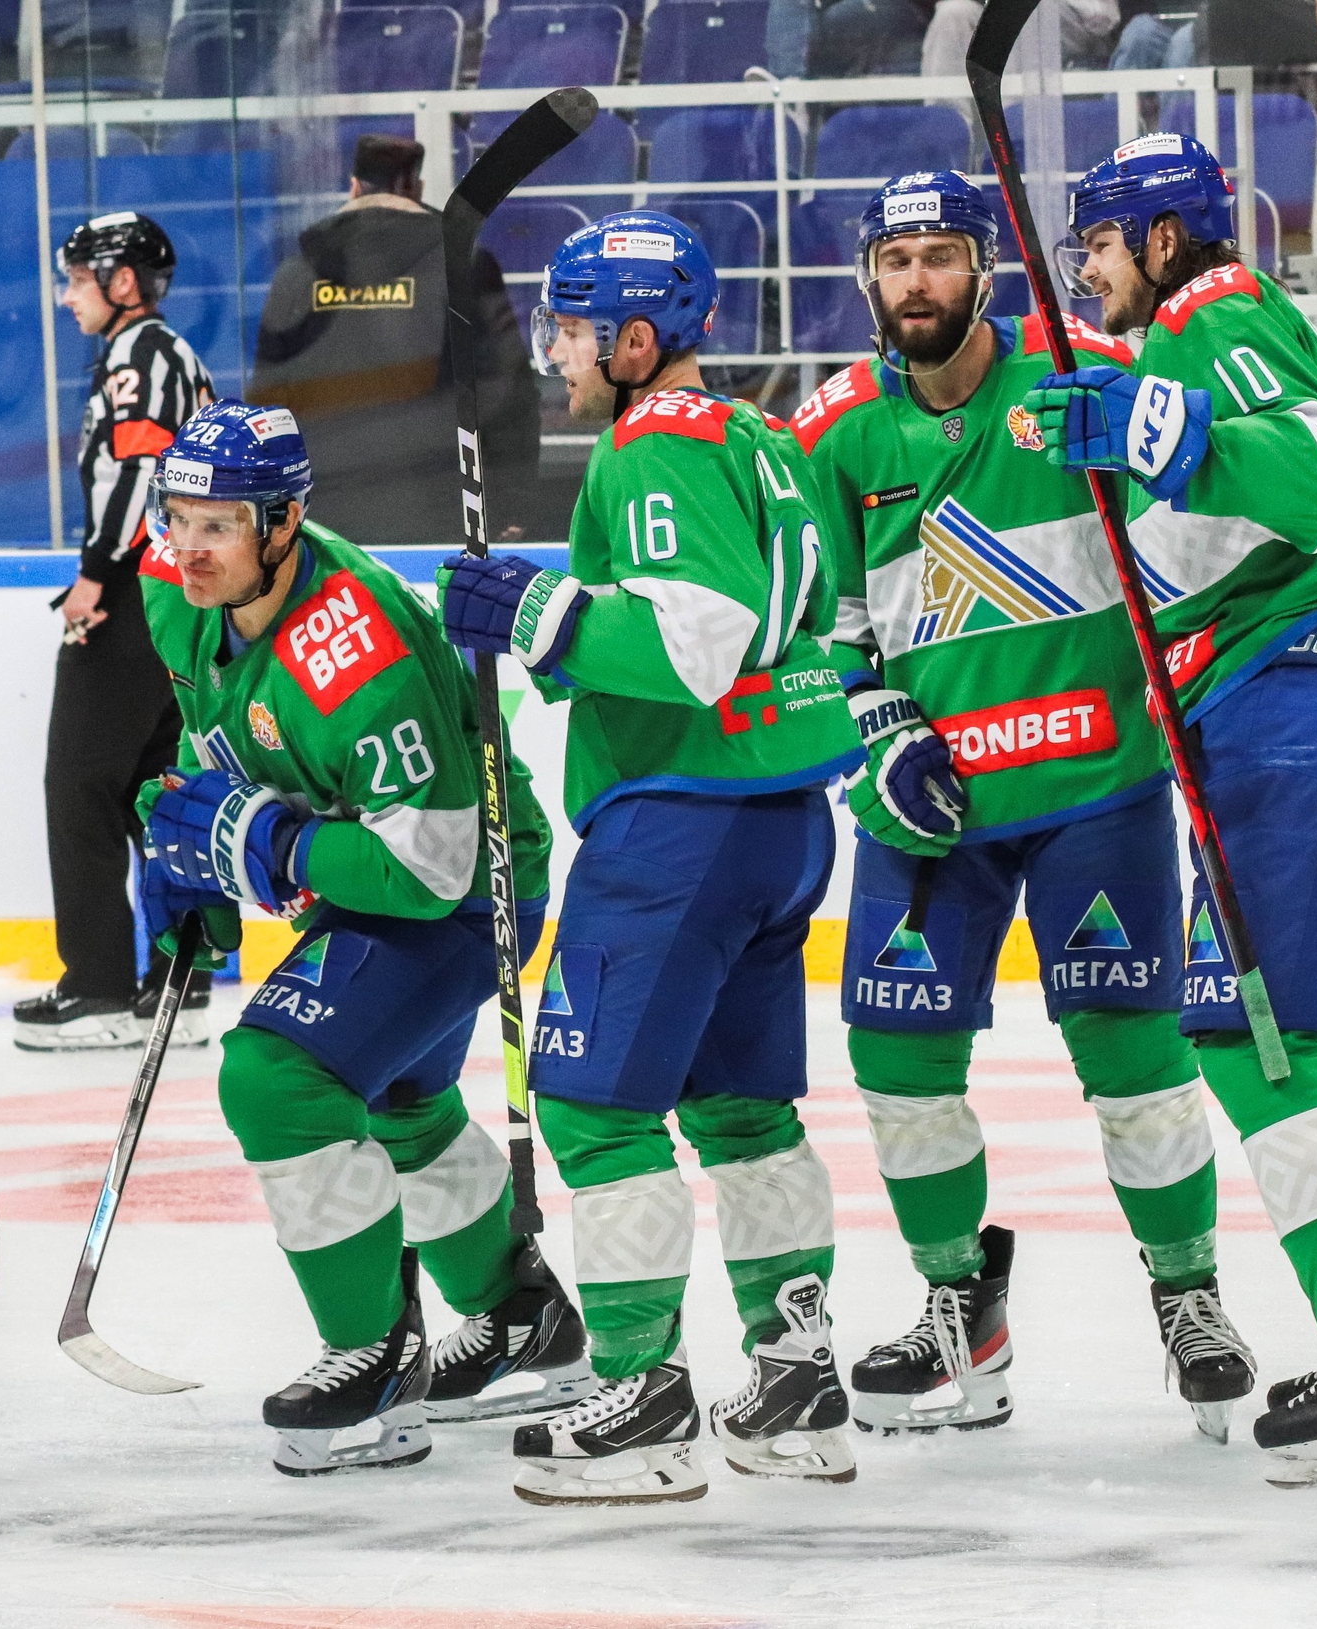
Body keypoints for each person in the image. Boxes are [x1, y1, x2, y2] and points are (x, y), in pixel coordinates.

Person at [796, 170, 1255, 1443]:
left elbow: (1207, 497)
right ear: (867, 281)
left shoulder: (1078, 369)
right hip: (928, 804)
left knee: (1132, 1063)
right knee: (895, 1071)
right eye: (894, 265)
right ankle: (956, 1303)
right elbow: (822, 623)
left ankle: (1189, 1294)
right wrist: (872, 726)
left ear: (982, 268)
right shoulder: (831, 432)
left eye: (939, 258)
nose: (915, 285)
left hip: (1088, 782)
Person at [441, 212, 865, 1505]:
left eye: (573, 327)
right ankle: (798, 1380)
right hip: (779, 817)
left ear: (635, 340)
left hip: (683, 818)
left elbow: (700, 640)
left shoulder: (653, 449)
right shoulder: (759, 438)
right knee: (741, 1110)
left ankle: (643, 1396)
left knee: (592, 1103)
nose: (557, 350)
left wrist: (534, 610)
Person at [1029, 132, 1317, 1485]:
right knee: (1294, 1033)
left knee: (1255, 1030)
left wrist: (1163, 427)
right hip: (1290, 708)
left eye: (1097, 244)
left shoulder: (1216, 312)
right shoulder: (1179, 348)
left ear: (1159, 238)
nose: (1086, 273)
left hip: (1293, 702)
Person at [134, 400, 587, 1477]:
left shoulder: (356, 647)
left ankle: (374, 1358)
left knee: (276, 1077)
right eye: (176, 518)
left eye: (218, 526)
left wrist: (270, 846)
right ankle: (521, 1317)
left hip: (472, 884)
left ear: (283, 522)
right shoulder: (180, 595)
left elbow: (428, 870)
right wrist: (198, 860)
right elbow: (214, 741)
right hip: (368, 859)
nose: (188, 550)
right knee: (399, 1100)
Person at [14, 211, 216, 1053]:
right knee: (156, 783)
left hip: (135, 591)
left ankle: (96, 986)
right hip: (175, 595)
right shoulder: (169, 356)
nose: (66, 299)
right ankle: (184, 978)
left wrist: (97, 572)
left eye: (76, 280)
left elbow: (139, 467)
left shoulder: (142, 355)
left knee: (81, 784)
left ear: (121, 282)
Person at [248, 134, 539, 545]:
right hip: (440, 512)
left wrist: (268, 507)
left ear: (353, 186)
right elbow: (508, 391)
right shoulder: (462, 264)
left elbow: (267, 402)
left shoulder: (297, 273)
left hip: (322, 517)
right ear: (414, 189)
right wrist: (513, 499)